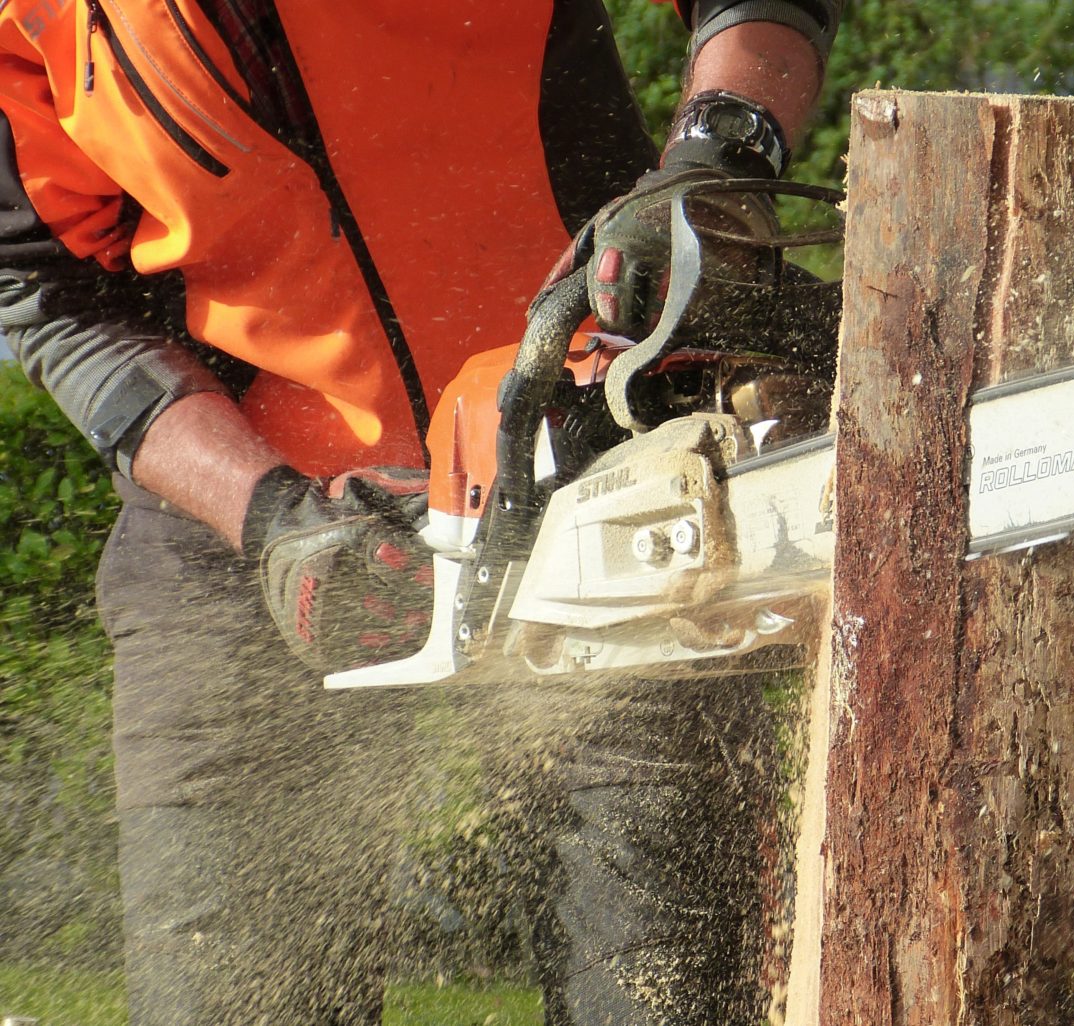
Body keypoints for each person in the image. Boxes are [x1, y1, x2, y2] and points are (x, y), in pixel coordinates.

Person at [0, 1, 839, 1023]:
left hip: (600, 448)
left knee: (668, 989)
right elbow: (46, 291)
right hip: (247, 506)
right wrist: (265, 518)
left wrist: (718, 152)